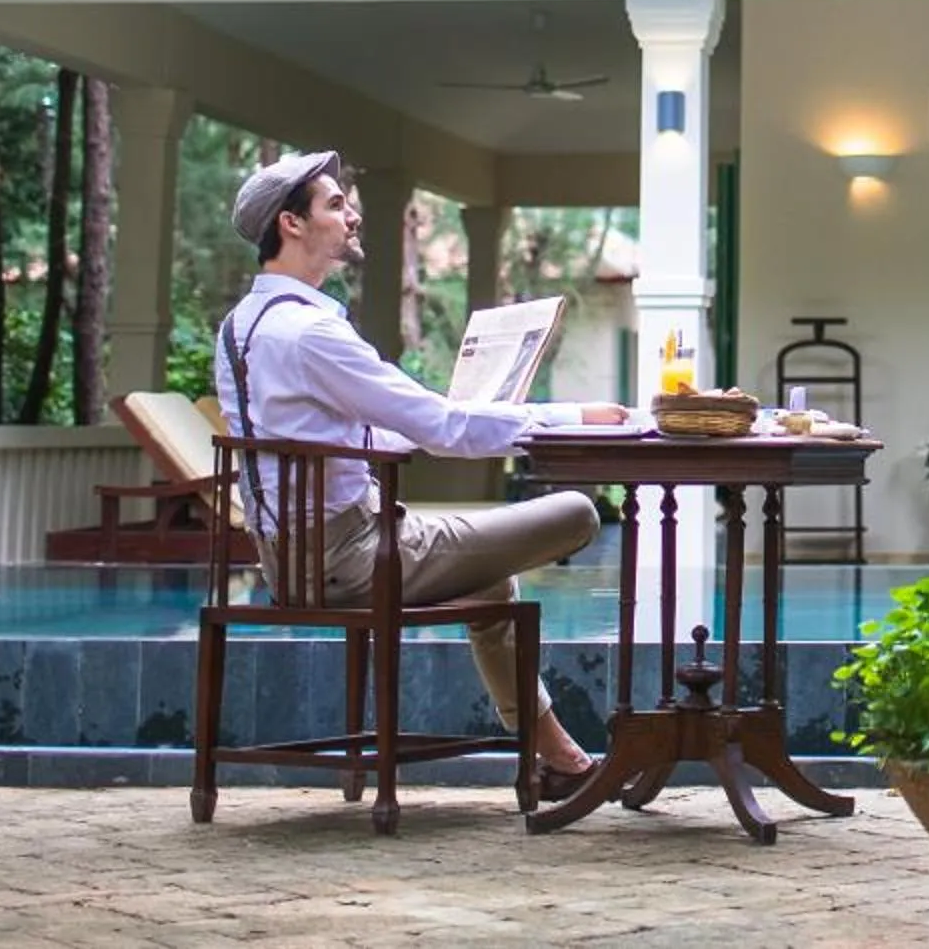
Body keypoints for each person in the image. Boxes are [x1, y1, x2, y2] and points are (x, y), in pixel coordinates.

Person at [216, 149, 624, 796]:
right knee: (576, 513)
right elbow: (440, 428)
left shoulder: (242, 328)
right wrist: (575, 416)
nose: (351, 218)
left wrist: (462, 411)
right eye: (335, 204)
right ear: (291, 225)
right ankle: (559, 757)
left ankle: (561, 759)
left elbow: (368, 431)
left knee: (493, 586)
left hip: (288, 558)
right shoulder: (309, 334)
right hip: (352, 557)